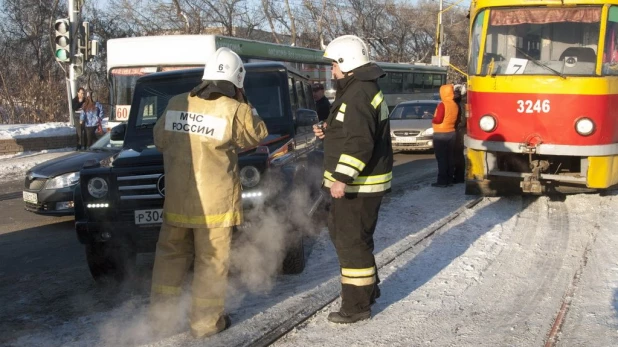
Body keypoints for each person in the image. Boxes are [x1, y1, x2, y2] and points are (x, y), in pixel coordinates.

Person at [150, 47, 268, 339]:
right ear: (236, 80)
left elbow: (159, 140)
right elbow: (257, 134)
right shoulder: (234, 109)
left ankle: (162, 321)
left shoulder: (177, 103)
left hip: (177, 202)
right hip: (214, 208)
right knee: (211, 264)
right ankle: (204, 324)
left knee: (169, 259)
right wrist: (244, 100)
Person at [313, 35, 393, 324]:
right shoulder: (359, 89)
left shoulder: (358, 92)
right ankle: (367, 292)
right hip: (362, 183)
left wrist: (342, 178)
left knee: (351, 244)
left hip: (358, 185)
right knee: (355, 240)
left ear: (347, 64)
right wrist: (328, 129)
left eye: (334, 64)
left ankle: (356, 307)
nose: (331, 70)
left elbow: (360, 141)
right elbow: (351, 129)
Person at [431, 84, 459, 187]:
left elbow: (438, 119)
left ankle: (442, 181)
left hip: (440, 133)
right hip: (451, 132)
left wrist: (432, 119)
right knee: (450, 157)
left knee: (441, 158)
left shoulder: (442, 105)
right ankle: (449, 179)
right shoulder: (454, 104)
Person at [452, 83, 466, 184]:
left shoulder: (459, 103)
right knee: (458, 155)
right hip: (460, 129)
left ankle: (459, 176)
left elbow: (463, 119)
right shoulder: (462, 101)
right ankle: (458, 176)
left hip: (459, 130)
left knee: (457, 155)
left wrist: (458, 125)